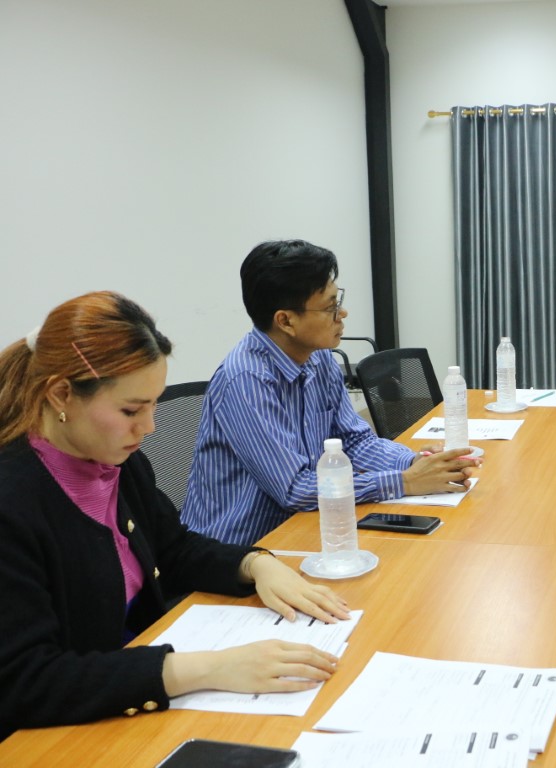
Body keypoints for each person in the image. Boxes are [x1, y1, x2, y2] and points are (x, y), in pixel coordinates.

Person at [0, 292, 351, 738]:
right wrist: (208, 669)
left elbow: (174, 548)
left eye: (153, 404)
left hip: (134, 695)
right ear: (61, 394)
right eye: (131, 410)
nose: (149, 427)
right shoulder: (13, 501)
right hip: (64, 730)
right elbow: (23, 680)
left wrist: (255, 564)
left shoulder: (118, 463)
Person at [182, 240, 476, 547]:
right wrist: (404, 482)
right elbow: (295, 489)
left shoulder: (318, 357)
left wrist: (413, 462)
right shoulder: (246, 380)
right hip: (240, 547)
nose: (342, 313)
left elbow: (355, 441)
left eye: (339, 300)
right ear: (286, 321)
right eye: (330, 307)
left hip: (307, 526)